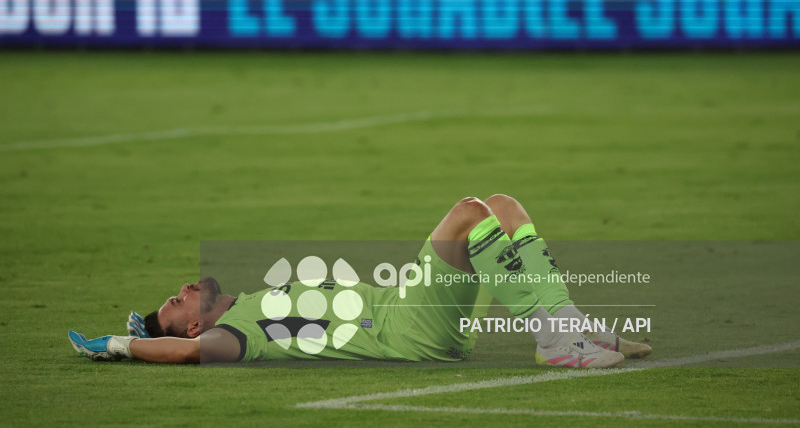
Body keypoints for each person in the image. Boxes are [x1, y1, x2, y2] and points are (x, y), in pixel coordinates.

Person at [69, 194, 651, 368]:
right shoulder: (239, 333)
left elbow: (184, 338)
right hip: (407, 329)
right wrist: (126, 344)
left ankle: (574, 329)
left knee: (501, 205)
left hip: (413, 316)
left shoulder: (252, 302)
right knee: (470, 212)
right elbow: (189, 353)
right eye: (176, 303)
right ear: (194, 324)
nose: (183, 287)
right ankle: (557, 343)